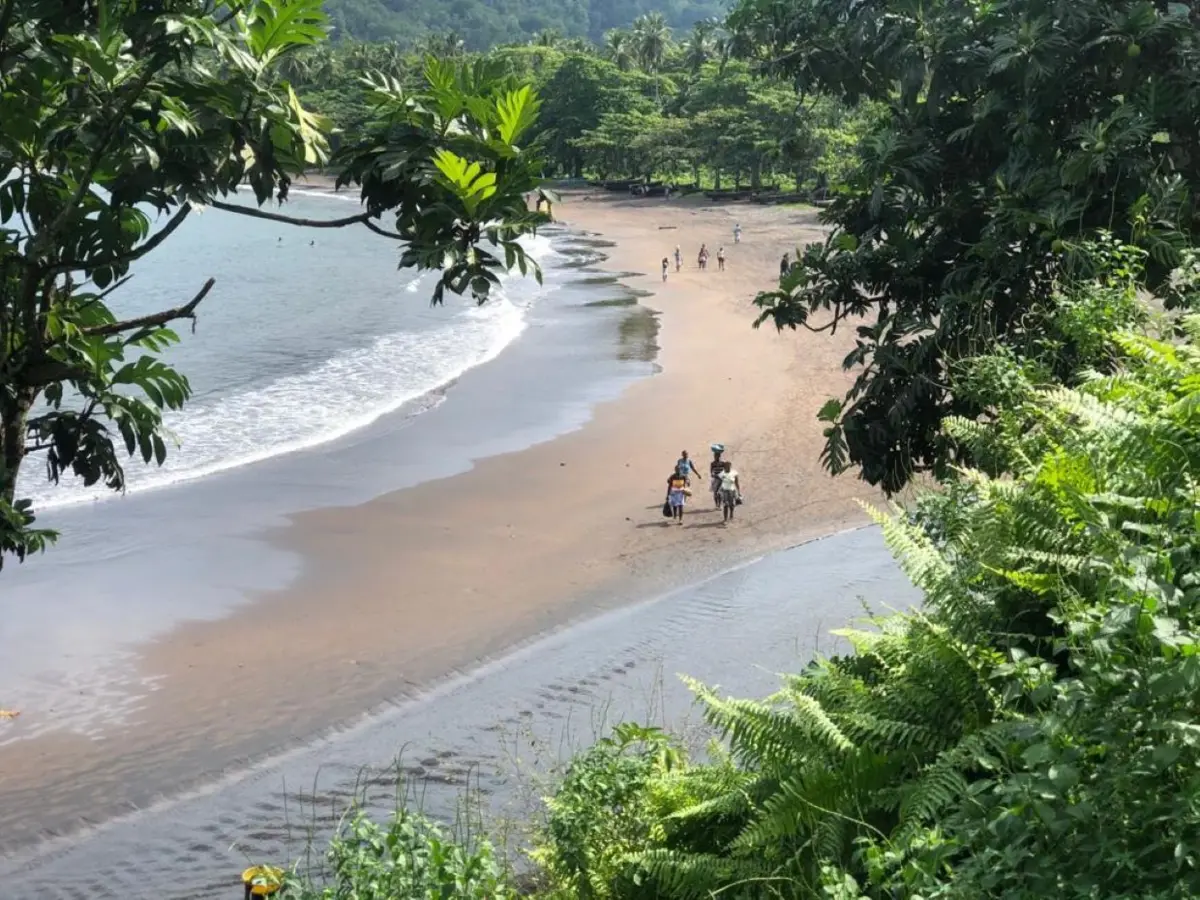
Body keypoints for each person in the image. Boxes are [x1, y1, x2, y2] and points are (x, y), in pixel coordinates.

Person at [709, 444, 726, 508]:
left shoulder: (723, 463)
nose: (716, 457)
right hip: (715, 480)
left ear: (719, 456)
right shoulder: (712, 463)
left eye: (717, 456)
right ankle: (716, 505)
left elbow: (725, 471)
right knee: (715, 493)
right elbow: (711, 472)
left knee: (720, 493)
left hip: (722, 479)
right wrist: (715, 475)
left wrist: (723, 476)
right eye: (715, 456)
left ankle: (720, 505)